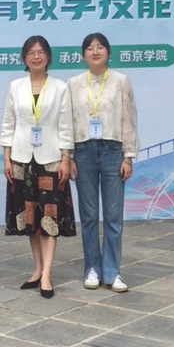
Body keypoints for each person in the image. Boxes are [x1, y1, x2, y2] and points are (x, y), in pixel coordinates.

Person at [0, 36, 76, 299]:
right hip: (21, 159)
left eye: (41, 52)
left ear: (48, 57)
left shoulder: (60, 87)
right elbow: (8, 124)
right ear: (24, 57)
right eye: (31, 52)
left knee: (50, 218)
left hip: (51, 159)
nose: (36, 56)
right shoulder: (15, 86)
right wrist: (7, 158)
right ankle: (37, 268)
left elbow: (65, 126)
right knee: (30, 217)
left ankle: (47, 274)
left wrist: (66, 158)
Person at [67, 33, 139, 293]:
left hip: (112, 151)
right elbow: (68, 122)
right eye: (89, 48)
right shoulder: (74, 84)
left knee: (112, 216)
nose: (95, 51)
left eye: (100, 47)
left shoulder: (121, 81)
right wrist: (68, 156)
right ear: (83, 55)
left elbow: (128, 119)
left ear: (108, 53)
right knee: (88, 216)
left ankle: (112, 271)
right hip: (83, 152)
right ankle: (92, 269)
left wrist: (128, 156)